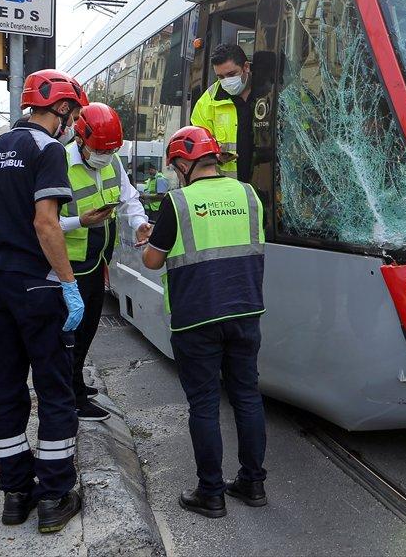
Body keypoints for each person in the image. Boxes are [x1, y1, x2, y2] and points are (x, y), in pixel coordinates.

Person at [0, 69, 88, 533]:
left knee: (5, 389)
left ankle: (16, 495)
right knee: (55, 390)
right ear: (59, 109)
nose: (73, 124)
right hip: (36, 287)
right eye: (73, 114)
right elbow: (46, 224)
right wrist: (69, 283)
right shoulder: (48, 149)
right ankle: (57, 496)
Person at [141, 126, 267, 519]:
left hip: (196, 318)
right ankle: (253, 483)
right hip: (246, 310)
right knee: (247, 397)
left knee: (205, 405)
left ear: (182, 164)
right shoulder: (249, 194)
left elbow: (152, 261)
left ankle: (211, 493)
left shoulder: (177, 203)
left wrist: (150, 237)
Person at [61, 103, 152, 421]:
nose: (105, 156)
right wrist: (79, 223)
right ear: (81, 138)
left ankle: (76, 385)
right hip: (67, 267)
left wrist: (139, 222)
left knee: (86, 331)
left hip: (98, 261)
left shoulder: (112, 162)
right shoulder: (58, 163)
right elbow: (43, 222)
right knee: (70, 333)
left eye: (111, 150)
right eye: (100, 149)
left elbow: (128, 199)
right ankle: (70, 396)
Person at [190, 43, 253, 181]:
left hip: (268, 183)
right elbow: (198, 146)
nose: (227, 81)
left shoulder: (268, 92)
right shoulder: (208, 101)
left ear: (246, 67)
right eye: (221, 77)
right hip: (231, 189)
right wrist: (215, 156)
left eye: (231, 74)